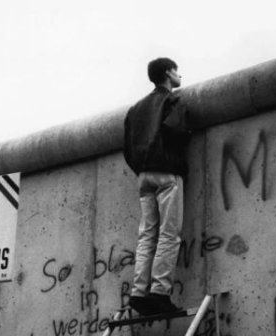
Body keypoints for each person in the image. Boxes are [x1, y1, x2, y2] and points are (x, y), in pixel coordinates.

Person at [123, 57, 191, 315]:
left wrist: (142, 167)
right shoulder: (173, 101)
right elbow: (178, 133)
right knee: (168, 234)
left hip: (144, 176)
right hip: (166, 173)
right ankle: (160, 292)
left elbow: (127, 148)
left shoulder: (135, 109)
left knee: (147, 235)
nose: (179, 74)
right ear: (167, 73)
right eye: (176, 70)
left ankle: (138, 292)